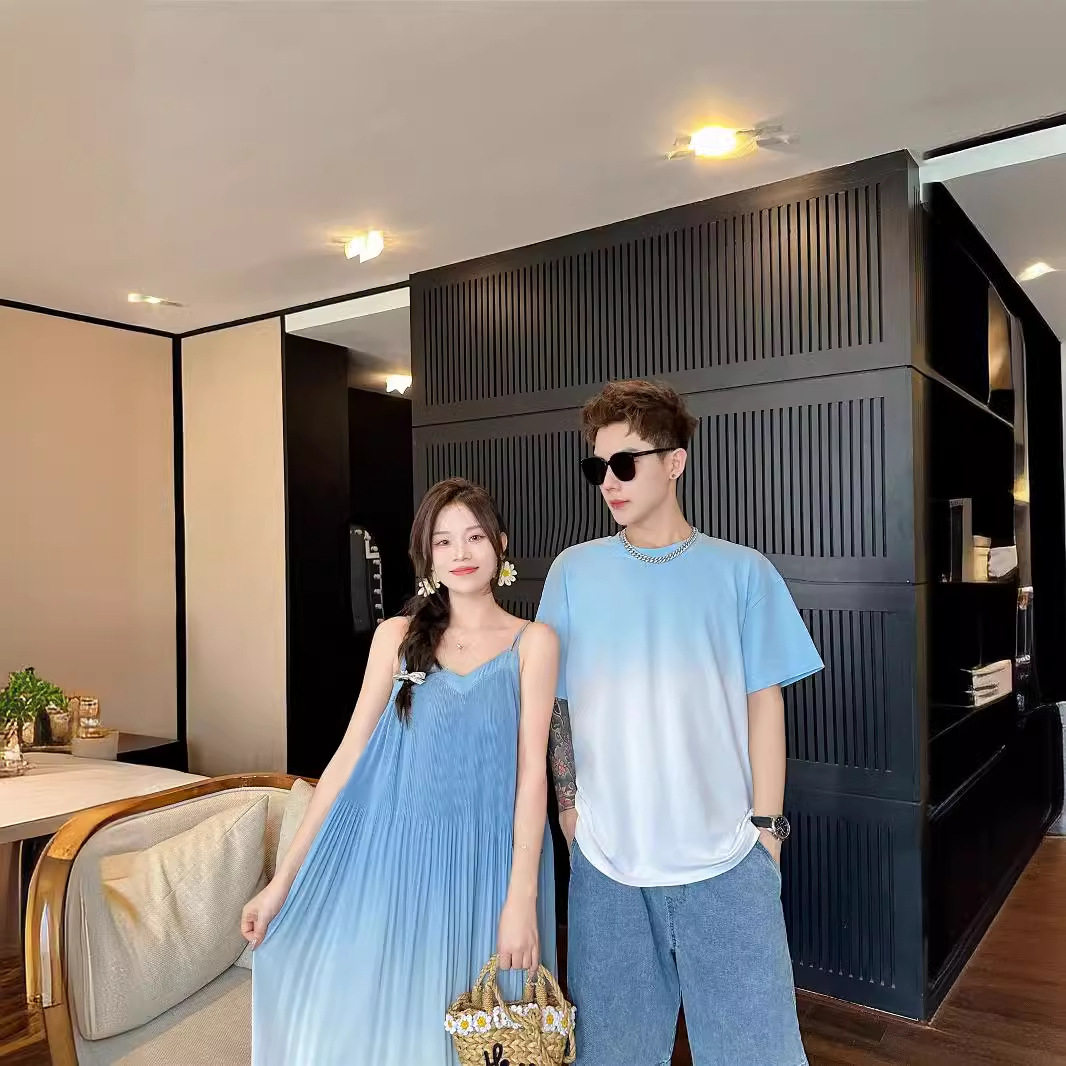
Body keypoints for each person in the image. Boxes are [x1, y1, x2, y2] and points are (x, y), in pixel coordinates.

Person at [538, 379, 823, 1066]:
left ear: (675, 462)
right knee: (612, 1055)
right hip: (609, 866)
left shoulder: (743, 573)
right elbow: (557, 704)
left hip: (728, 861)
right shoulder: (574, 572)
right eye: (598, 467)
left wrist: (767, 831)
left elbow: (765, 704)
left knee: (756, 1054)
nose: (609, 481)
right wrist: (570, 813)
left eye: (625, 462)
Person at [246, 477, 559, 1065]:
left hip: (487, 865)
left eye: (474, 537)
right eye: (444, 541)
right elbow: (347, 757)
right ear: (427, 556)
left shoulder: (533, 643)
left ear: (501, 545)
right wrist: (280, 882)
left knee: (483, 1036)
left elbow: (530, 779)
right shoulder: (396, 636)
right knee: (396, 1029)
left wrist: (521, 898)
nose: (461, 553)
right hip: (396, 860)